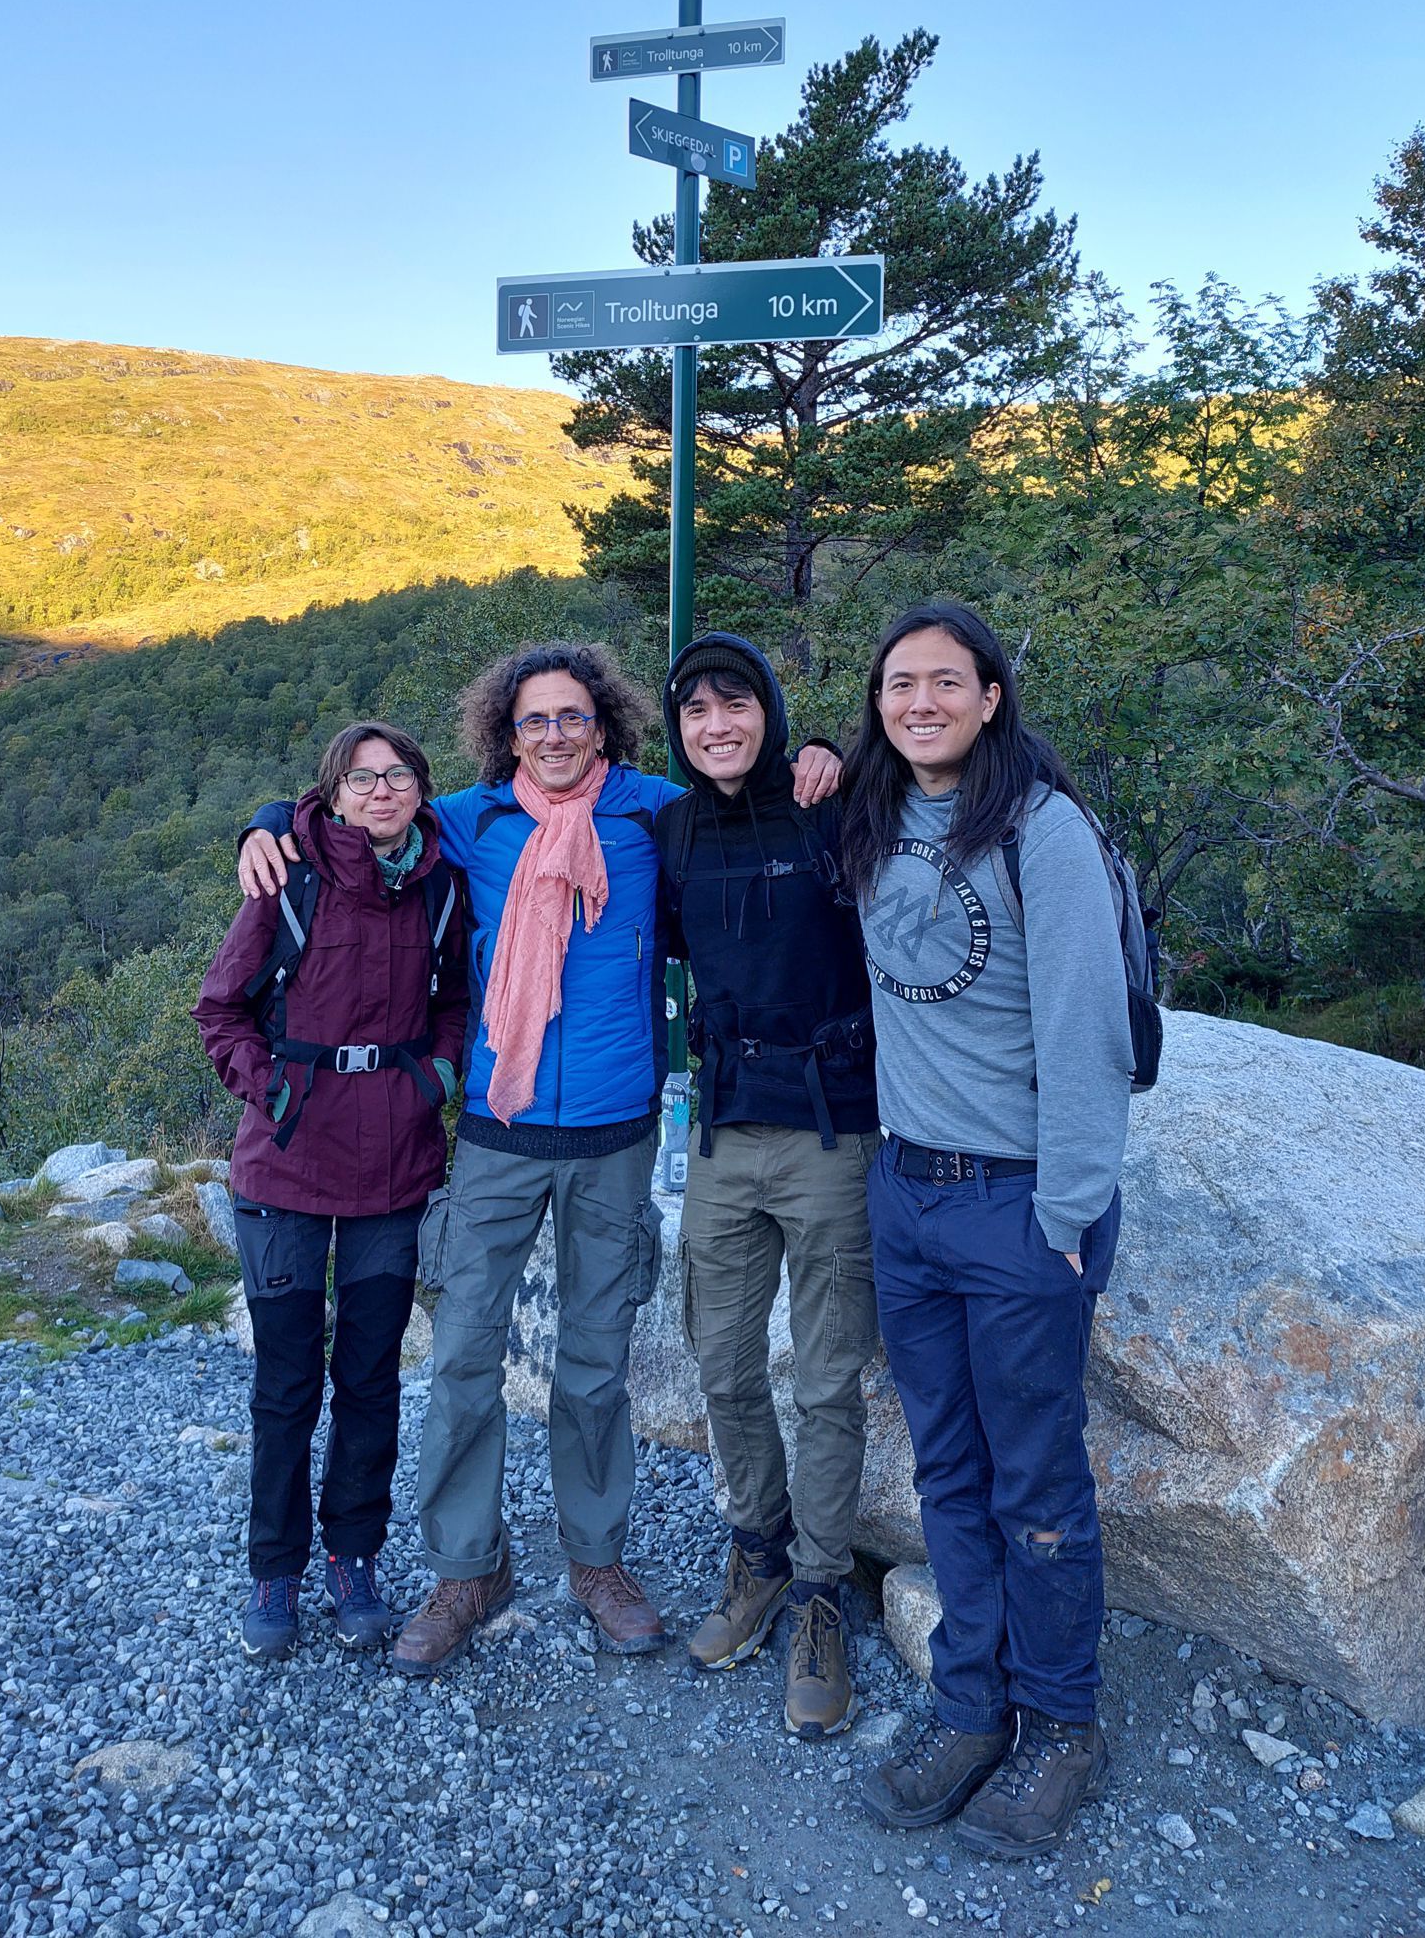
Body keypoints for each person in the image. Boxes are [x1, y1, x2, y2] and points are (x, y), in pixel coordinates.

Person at [238, 641, 841, 1678]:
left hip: (612, 1133)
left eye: (572, 717)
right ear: (503, 734)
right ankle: (469, 1567)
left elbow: (755, 787)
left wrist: (821, 749)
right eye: (533, 721)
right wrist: (266, 821)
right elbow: (357, 819)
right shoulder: (467, 824)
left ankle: (596, 1560)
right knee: (465, 1352)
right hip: (495, 1132)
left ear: (604, 724)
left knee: (594, 1366)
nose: (555, 736)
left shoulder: (657, 814)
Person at [844, 601, 1132, 1858]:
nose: (920, 702)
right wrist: (282, 822)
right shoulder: (864, 813)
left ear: (991, 695)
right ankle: (969, 1704)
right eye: (899, 684)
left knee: (1038, 1481)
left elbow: (1089, 1033)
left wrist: (1069, 1212)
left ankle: (1061, 1724)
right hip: (906, 1192)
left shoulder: (1041, 829)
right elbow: (699, 785)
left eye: (944, 682)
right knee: (947, 1467)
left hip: (1019, 1204)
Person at [194, 721, 468, 1662]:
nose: (382, 791)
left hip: (394, 1161)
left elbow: (456, 1005)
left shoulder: (440, 888)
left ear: (421, 791)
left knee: (369, 1374)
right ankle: (275, 1568)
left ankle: (353, 1555)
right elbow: (219, 1006)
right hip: (285, 1165)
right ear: (334, 794)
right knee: (285, 1378)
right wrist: (270, 1086)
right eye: (363, 778)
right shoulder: (287, 880)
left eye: (399, 776)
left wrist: (436, 1076)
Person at [656, 633, 879, 1741]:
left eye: (733, 702)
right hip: (722, 1133)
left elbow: (932, 762)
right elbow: (543, 812)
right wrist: (284, 817)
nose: (714, 722)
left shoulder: (828, 809)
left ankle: (823, 1592)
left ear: (770, 711)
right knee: (724, 1360)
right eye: (693, 709)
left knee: (828, 1379)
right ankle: (758, 1549)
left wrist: (839, 744)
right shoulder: (675, 829)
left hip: (833, 1130)